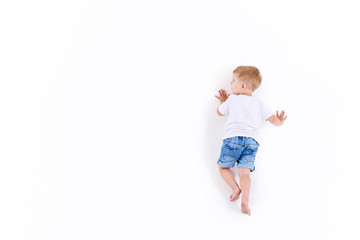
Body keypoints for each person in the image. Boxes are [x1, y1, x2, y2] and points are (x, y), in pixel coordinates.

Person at [214, 65, 287, 216]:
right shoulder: (259, 103)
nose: (230, 83)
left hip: (232, 139)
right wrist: (280, 121)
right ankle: (245, 199)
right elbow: (273, 119)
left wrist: (223, 101)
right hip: (252, 142)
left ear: (242, 86)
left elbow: (219, 112)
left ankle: (235, 189)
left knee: (223, 168)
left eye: (233, 80)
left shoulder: (232, 99)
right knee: (245, 173)